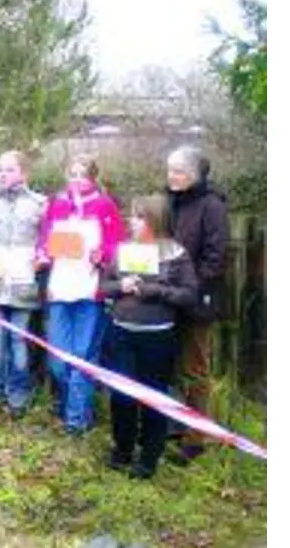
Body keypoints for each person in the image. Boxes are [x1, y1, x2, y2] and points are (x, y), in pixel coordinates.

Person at [99, 195, 200, 479]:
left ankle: (148, 458)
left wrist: (156, 290)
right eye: (133, 216)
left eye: (140, 217)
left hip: (157, 338)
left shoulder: (175, 254)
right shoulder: (123, 249)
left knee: (154, 398)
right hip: (121, 333)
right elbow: (104, 285)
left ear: (155, 220)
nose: (133, 221)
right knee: (121, 396)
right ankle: (122, 451)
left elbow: (189, 295)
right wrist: (121, 285)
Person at [36, 154, 125, 435]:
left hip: (90, 291)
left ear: (93, 177)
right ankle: (74, 409)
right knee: (59, 361)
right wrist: (42, 255)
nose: (76, 179)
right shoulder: (57, 203)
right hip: (60, 288)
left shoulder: (104, 205)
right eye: (72, 173)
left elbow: (116, 244)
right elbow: (45, 237)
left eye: (82, 174)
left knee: (82, 357)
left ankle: (76, 422)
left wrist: (104, 256)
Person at [165, 145, 231, 465]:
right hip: (170, 296)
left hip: (197, 300)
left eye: (178, 170)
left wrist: (191, 287)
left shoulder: (212, 206)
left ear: (193, 174)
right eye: (170, 170)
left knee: (195, 368)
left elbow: (215, 258)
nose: (172, 176)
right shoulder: (171, 202)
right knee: (173, 365)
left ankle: (196, 438)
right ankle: (176, 424)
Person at [0, 151, 49, 416]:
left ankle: (18, 395)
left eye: (9, 169)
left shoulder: (40, 205)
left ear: (24, 173)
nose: (3, 175)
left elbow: (47, 240)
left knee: (19, 338)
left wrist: (43, 256)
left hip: (23, 280)